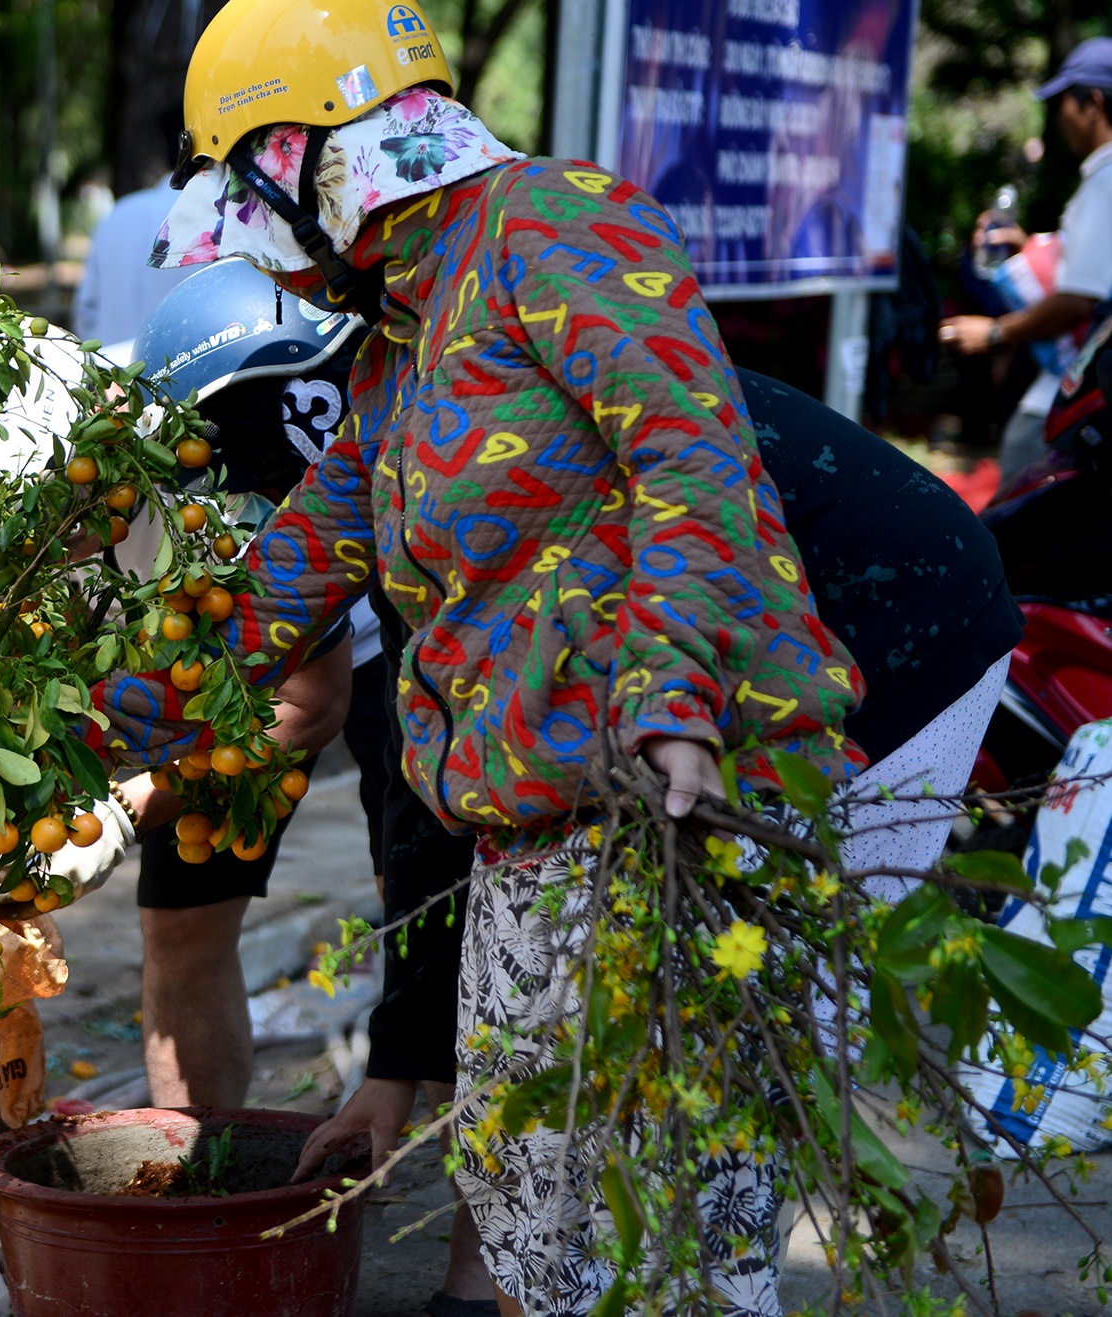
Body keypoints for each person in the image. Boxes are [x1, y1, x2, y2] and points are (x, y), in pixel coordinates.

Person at [93, 1, 1017, 1311]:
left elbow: (691, 453)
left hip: (687, 800)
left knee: (684, 1235)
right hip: (536, 828)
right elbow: (275, 596)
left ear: (306, 153)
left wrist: (673, 703)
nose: (262, 234)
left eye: (248, 184)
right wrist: (74, 734)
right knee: (533, 1212)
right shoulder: (396, 351)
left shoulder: (558, 225)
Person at [116, 259, 391, 1107]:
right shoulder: (146, 459)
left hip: (376, 637)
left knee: (430, 896)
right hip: (226, 637)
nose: (248, 487)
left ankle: (469, 1180)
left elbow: (312, 704)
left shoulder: (367, 419)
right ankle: (196, 1161)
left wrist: (145, 796)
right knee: (181, 923)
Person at [941, 37, 1112, 479]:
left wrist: (995, 333)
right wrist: (1030, 247)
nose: (1059, 119)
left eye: (1062, 104)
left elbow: (1080, 299)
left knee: (1021, 509)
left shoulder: (1105, 183)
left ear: (1092, 103)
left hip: (1075, 393)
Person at [71, 113, 201, 361]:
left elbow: (85, 312)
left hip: (112, 381)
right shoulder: (220, 223)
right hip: (188, 385)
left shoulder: (117, 215)